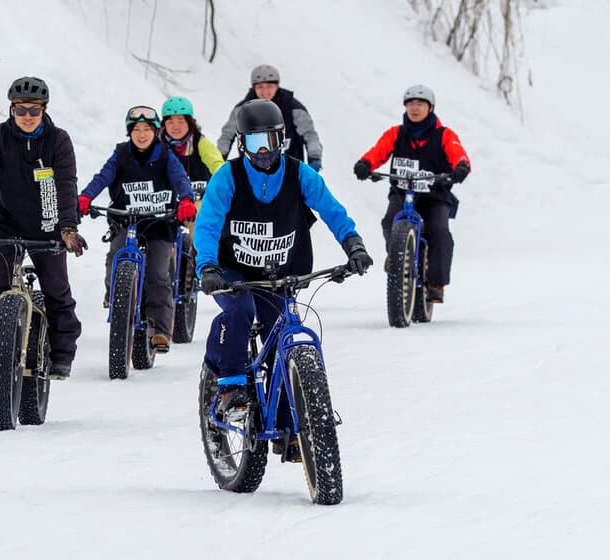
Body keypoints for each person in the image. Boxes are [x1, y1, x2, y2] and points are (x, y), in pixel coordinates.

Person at [194, 99, 372, 461]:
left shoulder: (299, 174)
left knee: (282, 334)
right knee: (240, 311)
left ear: (282, 141)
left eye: (270, 142)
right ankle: (228, 386)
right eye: (255, 143)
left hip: (283, 271)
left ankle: (287, 425)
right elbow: (208, 223)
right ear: (242, 144)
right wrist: (208, 266)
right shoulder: (227, 177)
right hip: (234, 271)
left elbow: (331, 210)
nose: (264, 151)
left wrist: (353, 245)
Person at [0, 76, 87, 380]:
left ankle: (62, 353)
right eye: (21, 110)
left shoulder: (58, 140)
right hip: (8, 224)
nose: (27, 117)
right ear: (11, 110)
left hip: (49, 226)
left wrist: (68, 229)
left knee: (56, 290)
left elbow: (67, 185)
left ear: (44, 110)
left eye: (34, 111)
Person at [77, 105, 196, 352]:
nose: (141, 134)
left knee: (158, 274)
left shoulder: (164, 154)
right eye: (136, 130)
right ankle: (116, 294)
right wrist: (86, 196)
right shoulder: (121, 154)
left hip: (159, 221)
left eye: (147, 129)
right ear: (129, 132)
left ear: (155, 131)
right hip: (127, 219)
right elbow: (103, 176)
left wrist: (185, 199)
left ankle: (161, 330)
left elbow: (179, 179)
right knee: (115, 256)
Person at [352, 84, 471, 303]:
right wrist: (365, 164)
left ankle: (436, 283)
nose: (414, 108)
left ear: (430, 107)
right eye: (410, 104)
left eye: (420, 104)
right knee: (390, 220)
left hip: (434, 195)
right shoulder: (396, 134)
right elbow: (378, 152)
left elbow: (458, 153)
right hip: (402, 191)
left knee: (439, 231)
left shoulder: (444, 135)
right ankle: (397, 256)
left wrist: (460, 168)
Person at [216, 64, 322, 170]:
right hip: (252, 172)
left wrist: (314, 157)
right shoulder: (242, 110)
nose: (265, 92)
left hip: (289, 171)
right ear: (254, 88)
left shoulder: (294, 108)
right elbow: (227, 136)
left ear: (277, 86)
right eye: (260, 87)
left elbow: (310, 135)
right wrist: (219, 159)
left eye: (269, 86)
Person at [160, 96, 224, 198]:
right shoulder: (159, 147)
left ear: (189, 123)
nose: (175, 127)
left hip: (200, 200)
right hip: (170, 204)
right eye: (170, 122)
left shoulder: (201, 143)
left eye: (181, 121)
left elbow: (218, 166)